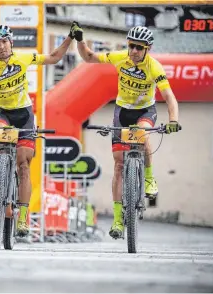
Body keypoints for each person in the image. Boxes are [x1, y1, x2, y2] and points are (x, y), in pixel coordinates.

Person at [0, 23, 82, 237]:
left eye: (4, 41)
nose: (1, 46)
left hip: (24, 114)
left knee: (24, 166)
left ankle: (23, 217)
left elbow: (53, 58)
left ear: (11, 42)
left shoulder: (24, 58)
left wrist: (69, 38)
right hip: (3, 113)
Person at [72, 23, 181, 239]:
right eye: (131, 46)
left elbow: (169, 97)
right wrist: (80, 40)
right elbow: (90, 57)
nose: (134, 51)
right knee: (119, 165)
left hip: (145, 111)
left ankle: (149, 178)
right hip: (122, 111)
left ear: (147, 49)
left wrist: (173, 119)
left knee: (142, 135)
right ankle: (117, 220)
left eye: (139, 48)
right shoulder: (120, 57)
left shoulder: (155, 67)